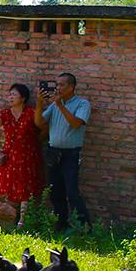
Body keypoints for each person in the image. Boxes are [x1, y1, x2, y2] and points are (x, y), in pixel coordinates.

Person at [35, 70, 92, 232]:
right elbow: (39, 123)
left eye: (61, 85)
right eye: (56, 84)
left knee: (72, 192)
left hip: (71, 154)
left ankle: (84, 227)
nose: (57, 88)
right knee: (55, 192)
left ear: (71, 87)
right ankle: (61, 225)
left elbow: (75, 124)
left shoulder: (82, 104)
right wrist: (39, 104)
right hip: (54, 153)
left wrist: (60, 105)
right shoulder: (54, 105)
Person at [0, 81, 44, 209]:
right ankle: (8, 215)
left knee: (26, 187)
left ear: (23, 98)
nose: (10, 97)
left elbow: (40, 124)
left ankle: (23, 221)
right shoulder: (6, 113)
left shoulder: (31, 112)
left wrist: (41, 103)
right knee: (7, 186)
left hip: (28, 156)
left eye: (14, 95)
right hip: (10, 156)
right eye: (9, 95)